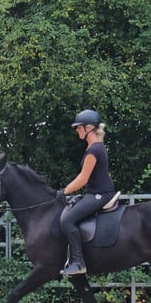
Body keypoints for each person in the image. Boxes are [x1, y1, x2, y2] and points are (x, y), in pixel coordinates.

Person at [55, 109, 116, 276]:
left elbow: (83, 178)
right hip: (96, 192)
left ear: (88, 128)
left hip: (100, 194)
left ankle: (78, 262)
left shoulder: (94, 150)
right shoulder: (94, 147)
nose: (77, 130)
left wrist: (64, 191)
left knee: (67, 220)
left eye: (79, 127)